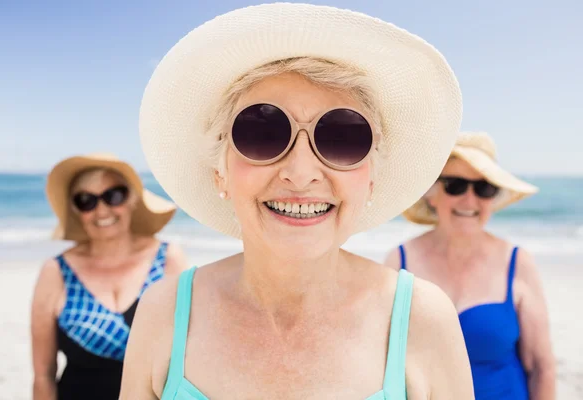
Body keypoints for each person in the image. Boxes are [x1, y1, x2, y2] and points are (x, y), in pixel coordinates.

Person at [121, 3, 475, 399]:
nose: (301, 171)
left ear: (372, 177)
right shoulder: (163, 313)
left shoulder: (422, 320)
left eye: (343, 137)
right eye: (263, 132)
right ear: (219, 170)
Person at [385, 132, 555, 399]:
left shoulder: (517, 262)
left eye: (484, 188)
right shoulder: (399, 261)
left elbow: (542, 367)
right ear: (432, 193)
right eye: (456, 185)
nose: (470, 200)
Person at [31, 153, 189, 400]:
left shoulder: (168, 259)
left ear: (133, 199)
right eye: (86, 200)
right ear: (75, 210)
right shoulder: (56, 272)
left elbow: (189, 358)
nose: (102, 209)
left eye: (113, 195)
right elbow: (43, 376)